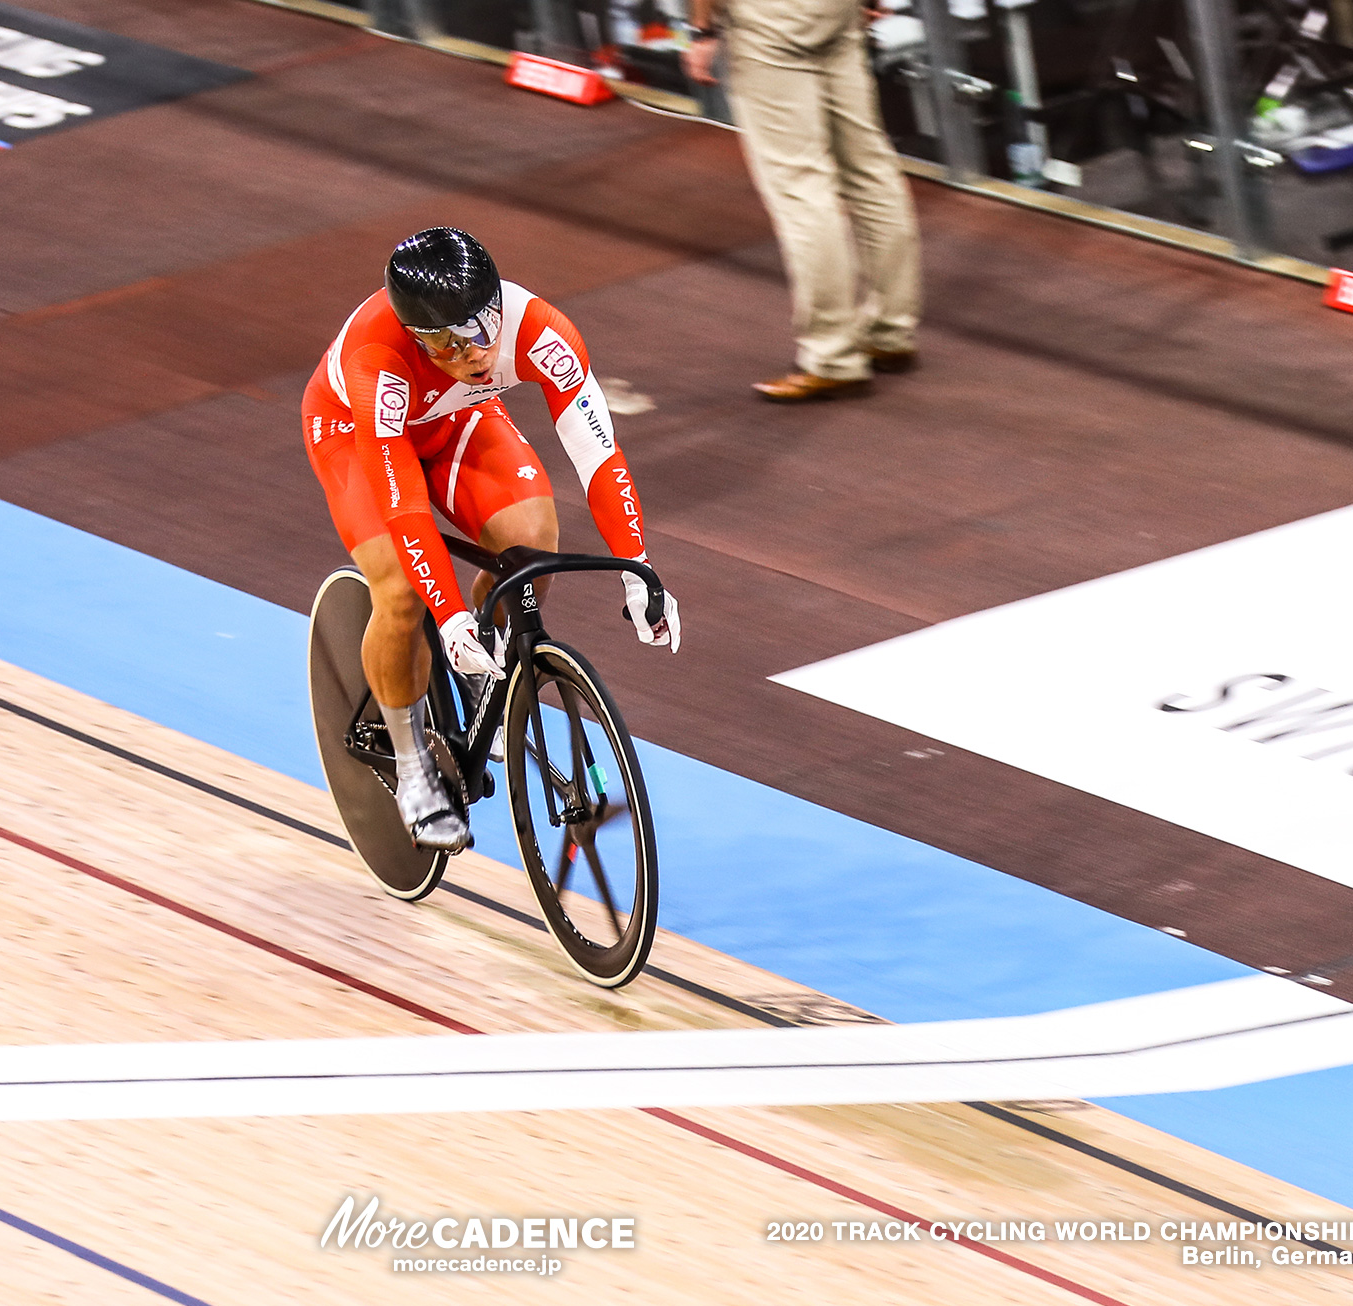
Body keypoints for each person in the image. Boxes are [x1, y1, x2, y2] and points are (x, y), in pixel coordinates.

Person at [303, 227, 680, 851]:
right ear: (420, 339)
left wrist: (636, 566)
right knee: (400, 591)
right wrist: (448, 616)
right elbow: (401, 504)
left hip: (456, 419)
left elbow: (600, 457)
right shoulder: (377, 359)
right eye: (451, 343)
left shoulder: (539, 330)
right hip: (355, 435)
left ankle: (486, 674)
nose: (476, 350)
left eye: (484, 327)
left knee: (532, 543)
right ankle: (412, 760)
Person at [683, 0, 921, 402]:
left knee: (801, 186)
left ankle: (832, 358)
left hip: (769, 20)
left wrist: (703, 32)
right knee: (870, 171)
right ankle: (890, 334)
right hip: (838, 12)